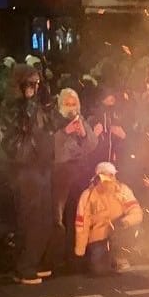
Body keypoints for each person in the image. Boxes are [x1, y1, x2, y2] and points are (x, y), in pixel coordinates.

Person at [1, 65, 56, 284]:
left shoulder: (39, 104)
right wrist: (30, 102)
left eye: (37, 82)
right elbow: (24, 128)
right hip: (25, 167)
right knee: (29, 217)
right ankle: (24, 266)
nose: (35, 87)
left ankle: (35, 259)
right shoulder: (13, 106)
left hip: (41, 164)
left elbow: (50, 124)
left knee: (43, 216)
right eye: (31, 83)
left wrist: (48, 103)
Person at [52, 88, 100, 267]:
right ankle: (57, 256)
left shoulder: (81, 121)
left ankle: (76, 256)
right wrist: (65, 132)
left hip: (78, 174)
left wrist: (84, 134)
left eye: (74, 104)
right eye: (67, 104)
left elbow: (92, 144)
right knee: (59, 218)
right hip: (60, 175)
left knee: (78, 215)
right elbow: (53, 150)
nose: (71, 108)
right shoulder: (55, 122)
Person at [73, 161, 143, 275]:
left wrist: (125, 222)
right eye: (107, 174)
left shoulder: (122, 190)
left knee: (135, 228)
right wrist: (80, 251)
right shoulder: (88, 195)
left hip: (117, 233)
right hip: (99, 238)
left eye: (112, 175)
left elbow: (136, 212)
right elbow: (82, 225)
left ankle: (120, 256)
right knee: (99, 271)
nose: (111, 178)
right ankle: (103, 259)